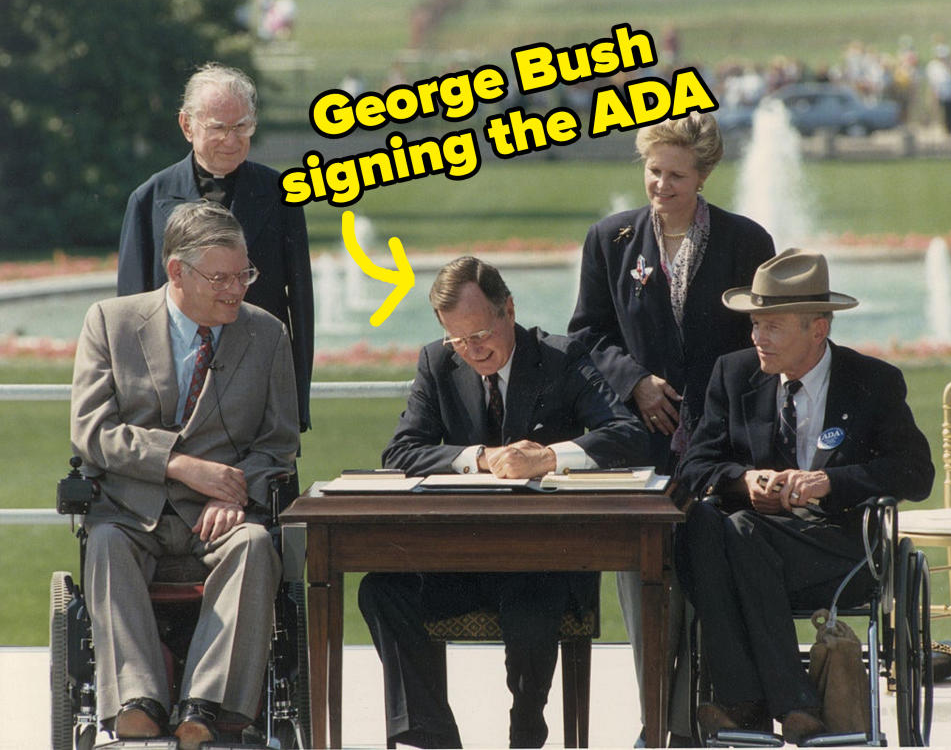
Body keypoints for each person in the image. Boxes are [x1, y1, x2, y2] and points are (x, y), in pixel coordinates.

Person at [359, 256, 649, 749]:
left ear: (508, 310)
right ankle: (431, 737)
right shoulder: (437, 362)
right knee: (381, 589)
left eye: (480, 334)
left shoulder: (563, 357)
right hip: (459, 562)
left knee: (531, 595)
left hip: (546, 563)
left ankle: (526, 725)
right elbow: (401, 451)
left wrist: (549, 458)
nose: (471, 351)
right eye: (458, 339)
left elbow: (627, 434)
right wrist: (479, 457)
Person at [566, 111, 774, 744]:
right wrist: (635, 381)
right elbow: (586, 333)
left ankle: (700, 723)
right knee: (645, 584)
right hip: (639, 444)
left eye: (676, 176)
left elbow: (763, 341)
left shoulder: (745, 241)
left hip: (723, 444)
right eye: (654, 172)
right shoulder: (610, 238)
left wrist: (718, 404)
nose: (661, 186)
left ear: (704, 174)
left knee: (708, 572)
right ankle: (659, 723)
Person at [676, 248, 934, 744]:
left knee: (736, 530)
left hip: (838, 547)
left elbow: (916, 474)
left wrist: (832, 481)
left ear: (818, 329)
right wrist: (743, 481)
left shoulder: (873, 382)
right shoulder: (734, 374)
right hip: (749, 545)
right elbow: (694, 466)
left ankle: (747, 704)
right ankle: (789, 705)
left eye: (772, 326)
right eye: (754, 324)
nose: (757, 338)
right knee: (705, 524)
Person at [72, 200, 300, 749]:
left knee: (252, 545)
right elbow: (92, 431)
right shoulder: (111, 322)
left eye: (243, 274)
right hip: (132, 510)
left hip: (222, 517)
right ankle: (138, 702)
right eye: (220, 278)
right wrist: (178, 465)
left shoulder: (266, 334)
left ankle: (206, 708)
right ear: (177, 271)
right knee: (103, 543)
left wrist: (237, 488)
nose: (235, 290)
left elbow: (278, 443)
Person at [117, 62, 314, 432]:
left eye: (242, 127)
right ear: (187, 125)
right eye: (219, 128)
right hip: (171, 399)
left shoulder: (282, 195)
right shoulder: (147, 200)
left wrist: (295, 406)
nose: (232, 139)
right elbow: (130, 314)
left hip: (258, 392)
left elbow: (300, 307)